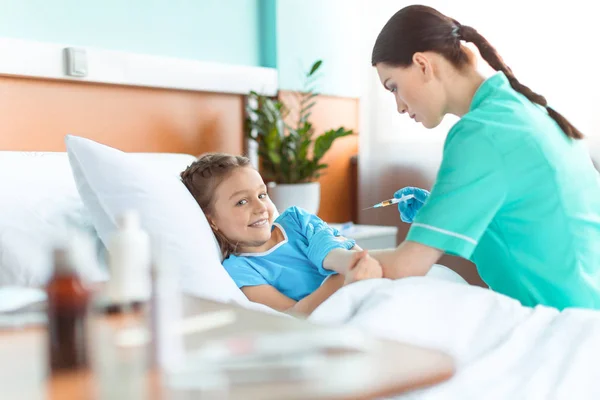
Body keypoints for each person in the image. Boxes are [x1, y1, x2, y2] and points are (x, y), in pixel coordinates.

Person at [368, 5, 600, 310]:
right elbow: (524, 234)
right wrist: (443, 211)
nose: (399, 106)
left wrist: (330, 251)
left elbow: (404, 268)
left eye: (394, 87)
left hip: (565, 327)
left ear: (422, 64)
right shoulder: (521, 112)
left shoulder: (483, 133)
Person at [180, 153, 383, 316]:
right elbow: (294, 315)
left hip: (371, 289)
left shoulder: (295, 220)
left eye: (262, 195)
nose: (260, 207)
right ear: (211, 220)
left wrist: (351, 265)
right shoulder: (240, 269)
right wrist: (342, 279)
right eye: (242, 201)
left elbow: (335, 249)